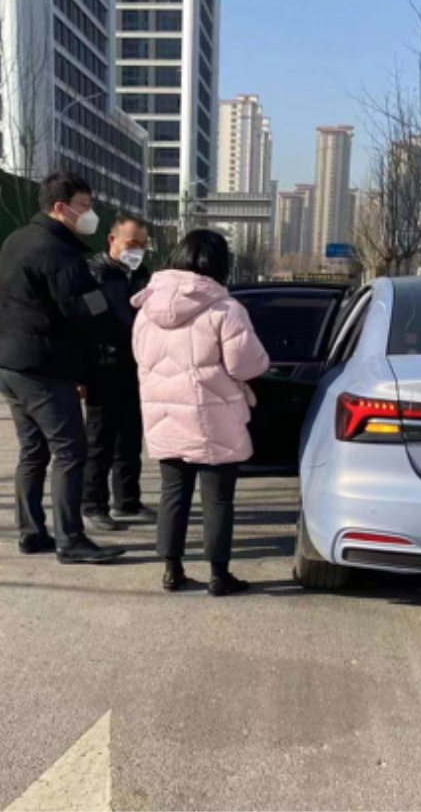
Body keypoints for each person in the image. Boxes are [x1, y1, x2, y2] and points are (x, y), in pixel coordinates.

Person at [0, 170, 125, 564]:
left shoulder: (18, 239)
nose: (91, 213)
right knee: (70, 450)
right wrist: (122, 336)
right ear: (61, 208)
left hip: (7, 364)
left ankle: (32, 533)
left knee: (33, 451)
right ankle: (71, 540)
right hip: (42, 368)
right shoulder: (59, 253)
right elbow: (88, 312)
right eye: (85, 205)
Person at [132, 230, 270, 596]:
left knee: (172, 495)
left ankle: (171, 571)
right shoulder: (226, 310)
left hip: (164, 415)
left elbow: (141, 359)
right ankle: (219, 576)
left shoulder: (146, 309)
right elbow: (245, 365)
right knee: (218, 500)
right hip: (214, 418)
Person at [82, 216, 156, 532]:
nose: (137, 250)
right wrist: (80, 374)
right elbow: (84, 326)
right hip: (102, 368)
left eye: (143, 244)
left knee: (130, 438)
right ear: (112, 240)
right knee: (100, 440)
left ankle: (127, 500)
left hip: (135, 368)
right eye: (132, 243)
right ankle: (93, 505)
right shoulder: (93, 275)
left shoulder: (142, 276)